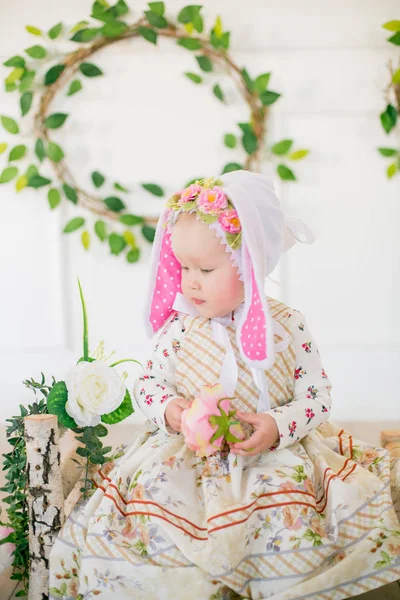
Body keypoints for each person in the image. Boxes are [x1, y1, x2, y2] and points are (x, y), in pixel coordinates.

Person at [49, 171, 400, 600]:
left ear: (251, 262)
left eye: (206, 268)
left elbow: (316, 396)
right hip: (189, 455)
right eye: (182, 267)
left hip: (274, 453)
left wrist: (276, 423)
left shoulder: (287, 325)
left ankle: (279, 578)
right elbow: (149, 383)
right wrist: (173, 411)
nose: (190, 281)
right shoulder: (180, 328)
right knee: (154, 510)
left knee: (289, 513)